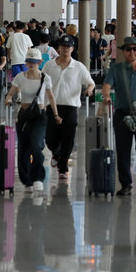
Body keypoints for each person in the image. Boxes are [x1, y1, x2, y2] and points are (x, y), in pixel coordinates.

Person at [102, 37, 136, 196]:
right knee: (123, 150)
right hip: (122, 114)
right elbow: (106, 87)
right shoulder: (115, 69)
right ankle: (126, 184)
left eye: (135, 49)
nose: (132, 52)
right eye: (128, 49)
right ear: (123, 51)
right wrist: (106, 96)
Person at [5, 48, 62, 193]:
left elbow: (51, 97)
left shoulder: (45, 78)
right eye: (29, 61)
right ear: (26, 62)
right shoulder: (20, 77)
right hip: (24, 116)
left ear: (40, 62)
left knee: (36, 144)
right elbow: (11, 92)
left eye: (35, 62)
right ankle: (26, 180)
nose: (32, 64)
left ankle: (38, 177)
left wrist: (56, 114)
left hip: (39, 116)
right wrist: (8, 98)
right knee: (23, 148)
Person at [42, 35, 95, 179]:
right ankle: (57, 153)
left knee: (68, 138)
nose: (65, 49)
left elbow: (91, 82)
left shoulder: (78, 66)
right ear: (58, 48)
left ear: (72, 49)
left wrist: (89, 89)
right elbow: (41, 83)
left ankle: (63, 168)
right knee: (50, 138)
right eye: (63, 46)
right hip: (52, 107)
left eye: (68, 47)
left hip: (71, 107)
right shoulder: (49, 65)